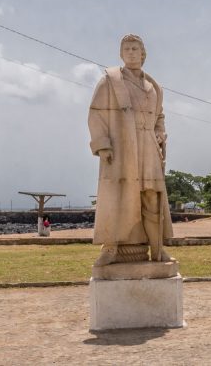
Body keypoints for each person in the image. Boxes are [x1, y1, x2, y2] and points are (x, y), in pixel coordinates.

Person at [88, 34, 175, 266]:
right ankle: (110, 248)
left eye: (135, 48)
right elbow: (96, 113)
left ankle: (157, 249)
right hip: (122, 147)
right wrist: (102, 144)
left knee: (151, 197)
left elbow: (160, 116)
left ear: (143, 53)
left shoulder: (154, 86)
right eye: (126, 48)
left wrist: (160, 132)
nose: (131, 52)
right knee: (119, 197)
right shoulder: (110, 80)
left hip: (148, 147)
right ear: (121, 54)